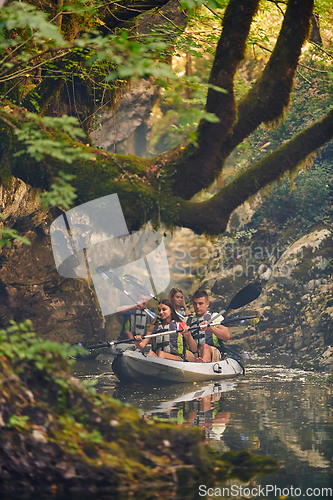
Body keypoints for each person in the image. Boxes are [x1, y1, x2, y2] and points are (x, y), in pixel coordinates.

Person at [132, 299, 198, 362]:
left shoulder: (181, 325)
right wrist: (138, 342)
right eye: (159, 310)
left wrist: (188, 335)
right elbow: (142, 345)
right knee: (150, 354)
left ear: (171, 310)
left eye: (164, 309)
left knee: (161, 354)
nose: (161, 312)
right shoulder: (154, 326)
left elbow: (194, 349)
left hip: (177, 359)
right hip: (159, 358)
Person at [187, 289, 230, 363]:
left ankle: (203, 365)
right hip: (194, 353)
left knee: (204, 346)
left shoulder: (215, 317)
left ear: (207, 304)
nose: (197, 306)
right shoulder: (187, 320)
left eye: (200, 303)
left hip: (211, 350)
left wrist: (210, 328)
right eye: (195, 303)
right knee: (185, 353)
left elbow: (227, 336)